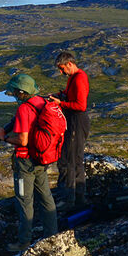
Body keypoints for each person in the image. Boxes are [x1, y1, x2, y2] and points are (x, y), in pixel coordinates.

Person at [0, 73, 58, 252]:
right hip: (41, 158)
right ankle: (52, 236)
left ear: (22, 92)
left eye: (15, 92)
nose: (14, 94)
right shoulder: (42, 102)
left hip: (25, 162)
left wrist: (4, 137)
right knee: (46, 197)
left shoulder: (24, 109)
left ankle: (24, 242)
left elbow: (22, 140)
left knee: (24, 201)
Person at [53, 50, 90, 212]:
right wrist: (60, 95)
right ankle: (79, 198)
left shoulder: (79, 78)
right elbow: (71, 95)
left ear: (69, 64)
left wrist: (61, 104)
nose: (61, 73)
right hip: (74, 120)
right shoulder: (73, 78)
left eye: (62, 69)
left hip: (77, 121)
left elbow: (81, 105)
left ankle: (69, 199)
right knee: (75, 159)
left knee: (70, 159)